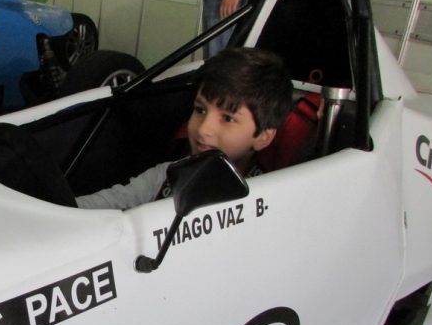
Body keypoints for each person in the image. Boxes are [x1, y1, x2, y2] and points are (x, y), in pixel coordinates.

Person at [76, 47, 293, 210]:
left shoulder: (270, 199)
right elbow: (108, 202)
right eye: (200, 110)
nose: (204, 129)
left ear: (263, 137)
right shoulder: (166, 176)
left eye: (227, 118)